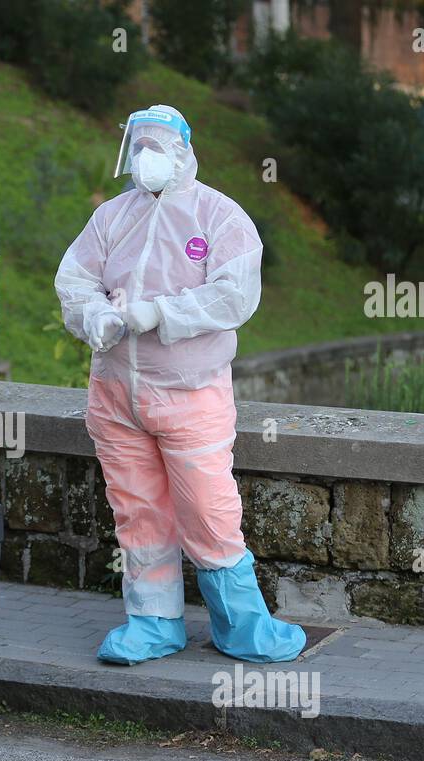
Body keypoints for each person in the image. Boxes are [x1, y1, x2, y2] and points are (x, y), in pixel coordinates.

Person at [53, 104, 306, 666]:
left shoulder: (219, 216)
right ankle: (152, 623)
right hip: (117, 394)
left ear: (184, 152)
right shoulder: (114, 216)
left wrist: (158, 314)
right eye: (138, 145)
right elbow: (74, 277)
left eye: (158, 145)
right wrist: (92, 313)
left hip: (190, 393)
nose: (147, 157)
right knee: (137, 514)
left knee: (209, 511)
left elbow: (235, 296)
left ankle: (242, 626)